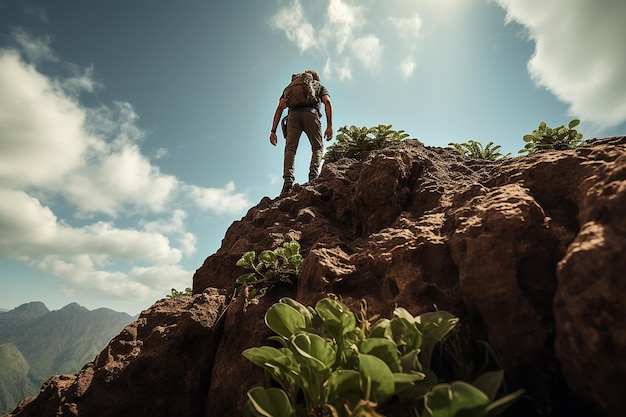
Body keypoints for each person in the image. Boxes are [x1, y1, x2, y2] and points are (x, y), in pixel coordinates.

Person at [269, 70, 333, 195]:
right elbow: (327, 102)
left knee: (290, 149)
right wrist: (329, 125)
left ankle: (288, 182)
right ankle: (313, 176)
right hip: (311, 114)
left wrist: (273, 131)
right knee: (317, 147)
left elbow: (280, 106)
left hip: (293, 116)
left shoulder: (290, 88)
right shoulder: (319, 86)